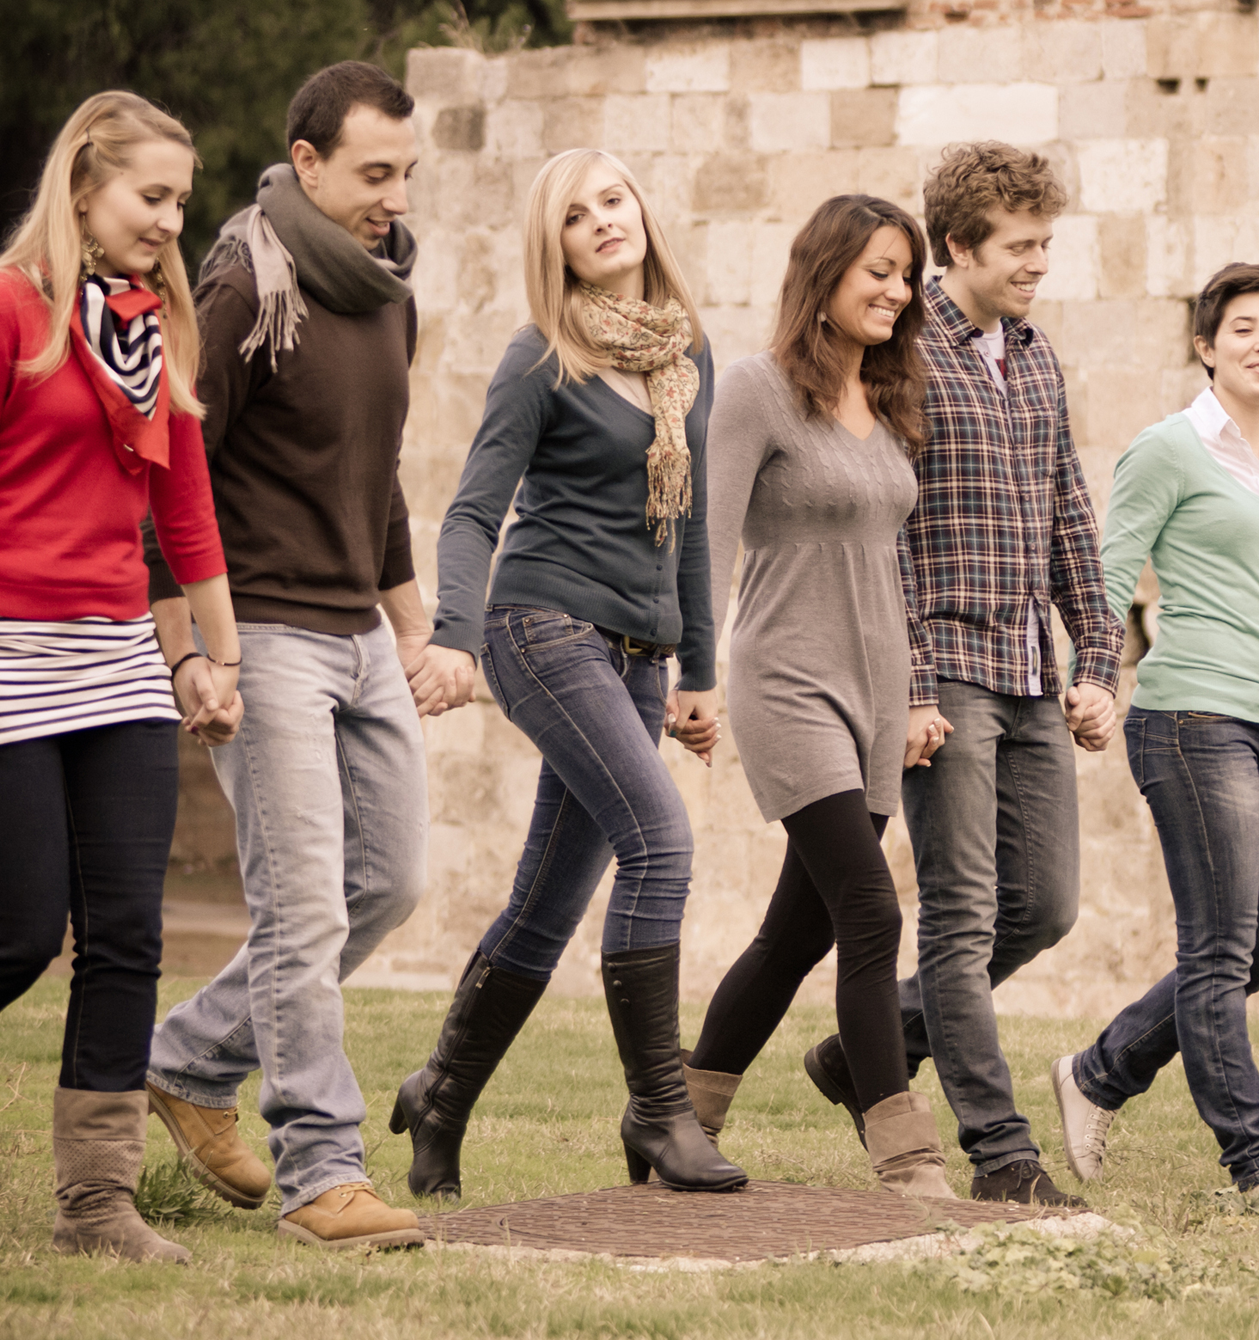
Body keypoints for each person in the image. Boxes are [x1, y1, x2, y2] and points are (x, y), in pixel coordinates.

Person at [0, 90, 239, 1263]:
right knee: (19, 929)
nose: (172, 220)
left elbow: (184, 511)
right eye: (151, 196)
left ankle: (96, 1204)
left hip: (115, 661)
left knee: (125, 932)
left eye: (181, 199)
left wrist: (221, 658)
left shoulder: (154, 329)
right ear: (83, 188)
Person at [389, 148, 742, 1200]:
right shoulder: (541, 356)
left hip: (637, 652)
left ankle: (439, 1093)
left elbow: (688, 525)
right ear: (556, 247)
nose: (600, 221)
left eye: (614, 199)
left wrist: (700, 670)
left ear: (642, 210)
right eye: (574, 214)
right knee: (661, 839)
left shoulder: (687, 359)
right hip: (541, 626)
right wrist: (453, 631)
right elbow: (469, 512)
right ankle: (658, 1106)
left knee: (546, 901)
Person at [141, 61, 434, 1250]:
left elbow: (380, 466)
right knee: (302, 907)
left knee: (391, 881)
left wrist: (415, 625)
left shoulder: (387, 289)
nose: (393, 197)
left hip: (359, 630)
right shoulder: (244, 279)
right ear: (305, 164)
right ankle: (323, 1170)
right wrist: (191, 650)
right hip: (259, 630)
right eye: (374, 173)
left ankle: (180, 1056)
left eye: (406, 173)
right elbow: (171, 464)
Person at [796, 142, 1116, 1209]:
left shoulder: (1034, 354)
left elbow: (1068, 505)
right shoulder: (900, 355)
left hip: (1029, 668)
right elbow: (884, 532)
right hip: (943, 668)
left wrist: (1098, 654)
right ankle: (1000, 1149)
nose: (1037, 264)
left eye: (1044, 244)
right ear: (961, 246)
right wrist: (916, 688)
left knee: (1049, 904)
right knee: (962, 912)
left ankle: (868, 1043)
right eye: (1020, 247)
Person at [1049, 263, 1259, 1204]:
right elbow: (1109, 575)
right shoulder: (1167, 449)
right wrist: (1097, 680)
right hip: (1189, 719)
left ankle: (1099, 1073)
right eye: (1244, 329)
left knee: (1255, 953)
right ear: (1206, 346)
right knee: (1220, 950)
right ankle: (1258, 1161)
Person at [684, 194, 959, 1197]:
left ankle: (677, 1116)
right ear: (825, 274)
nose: (895, 290)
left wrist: (917, 690)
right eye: (876, 270)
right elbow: (706, 534)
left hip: (877, 686)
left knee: (797, 932)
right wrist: (694, 673)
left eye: (904, 274)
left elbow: (894, 560)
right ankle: (905, 1152)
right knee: (872, 910)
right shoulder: (757, 389)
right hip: (787, 677)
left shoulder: (887, 400)